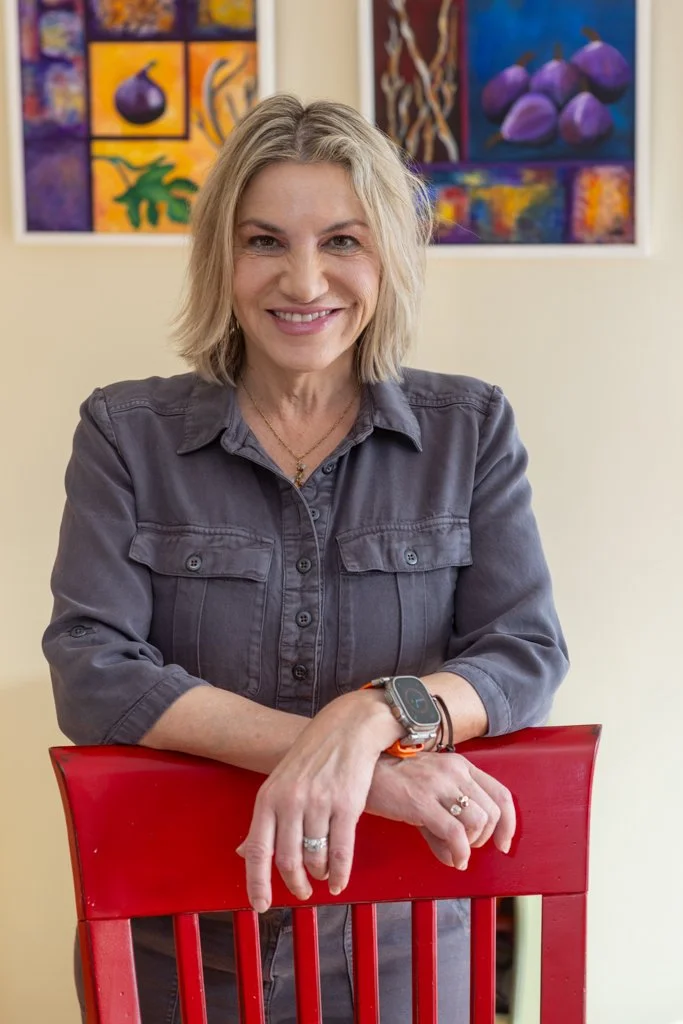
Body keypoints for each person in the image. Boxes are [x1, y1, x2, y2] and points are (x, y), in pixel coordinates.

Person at [43, 94, 569, 1023]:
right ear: (222, 258)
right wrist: (357, 766)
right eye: (264, 242)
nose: (303, 278)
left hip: (411, 947)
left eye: (341, 241)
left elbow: (523, 654)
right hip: (177, 947)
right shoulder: (126, 432)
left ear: (386, 258)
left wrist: (372, 717)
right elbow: (93, 671)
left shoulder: (471, 428)